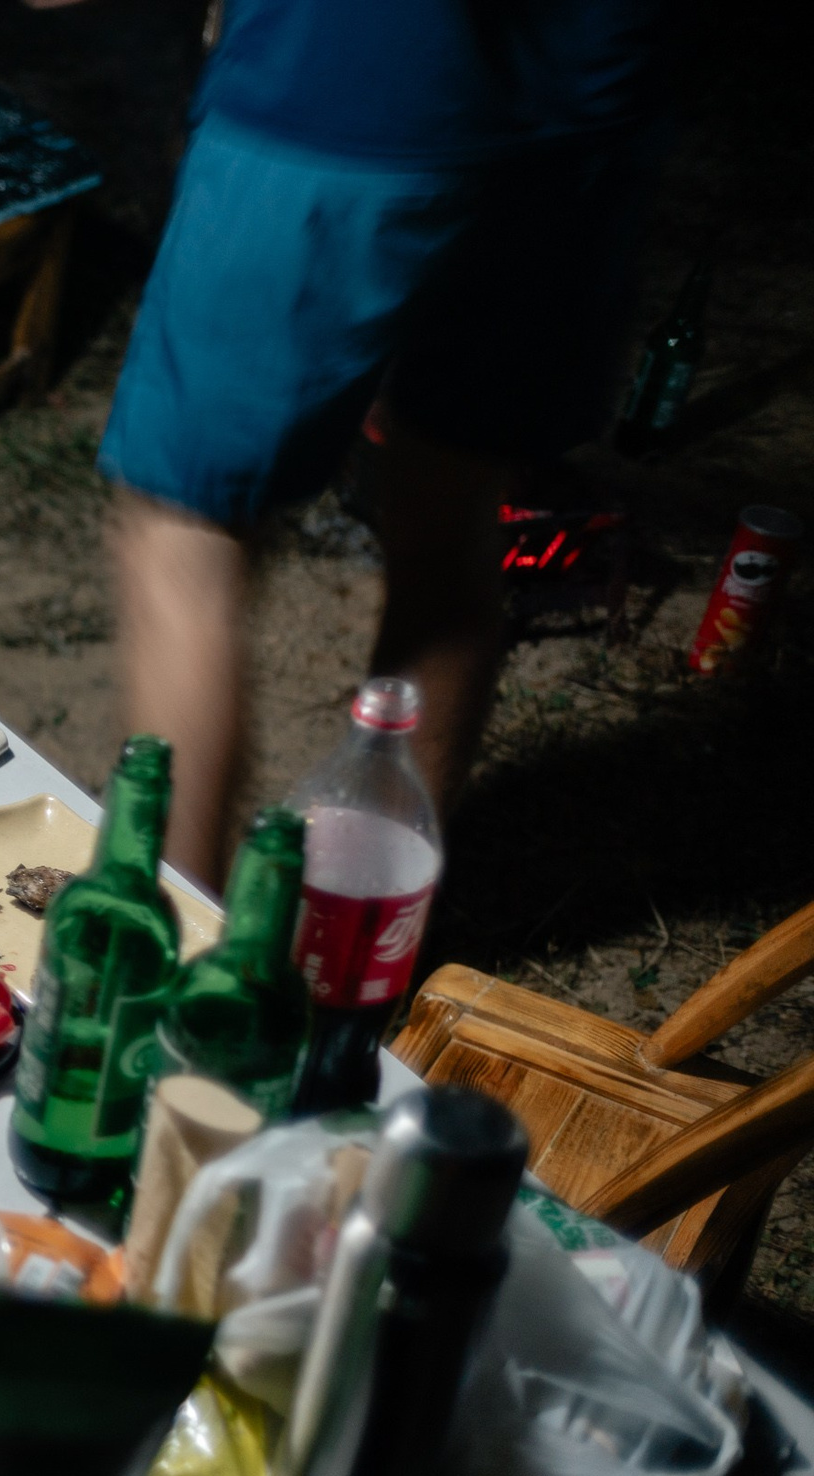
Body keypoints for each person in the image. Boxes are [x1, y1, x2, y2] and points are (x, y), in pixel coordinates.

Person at [88, 0, 671, 881]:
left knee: (183, 537)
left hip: (337, 77)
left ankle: (173, 973)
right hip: (584, 108)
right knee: (454, 522)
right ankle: (347, 974)